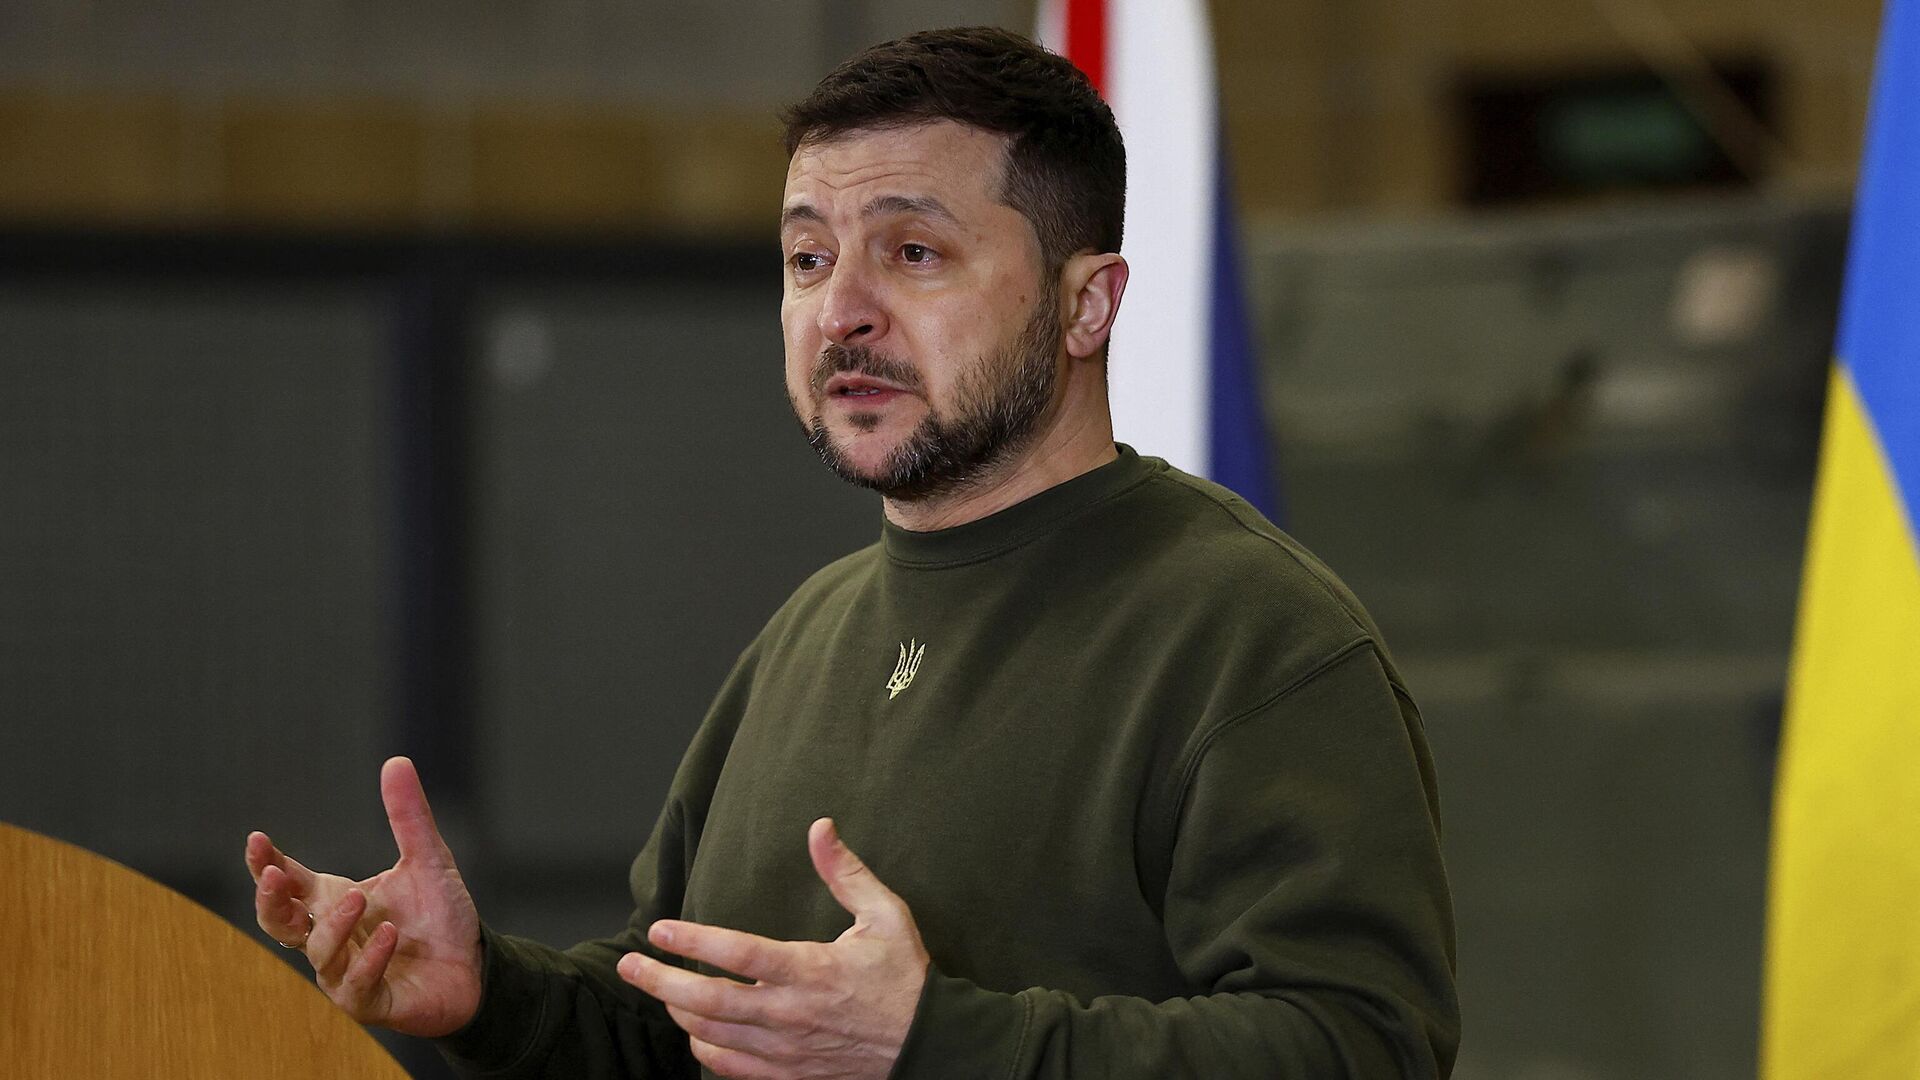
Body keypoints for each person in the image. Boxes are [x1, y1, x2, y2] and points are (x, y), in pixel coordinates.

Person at [245, 26, 1459, 1079]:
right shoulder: (807, 636)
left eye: (912, 252)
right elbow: (683, 1028)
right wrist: (490, 996)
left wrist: (931, 1046)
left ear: (1087, 304)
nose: (841, 312)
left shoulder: (1254, 637)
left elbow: (1361, 1046)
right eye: (808, 258)